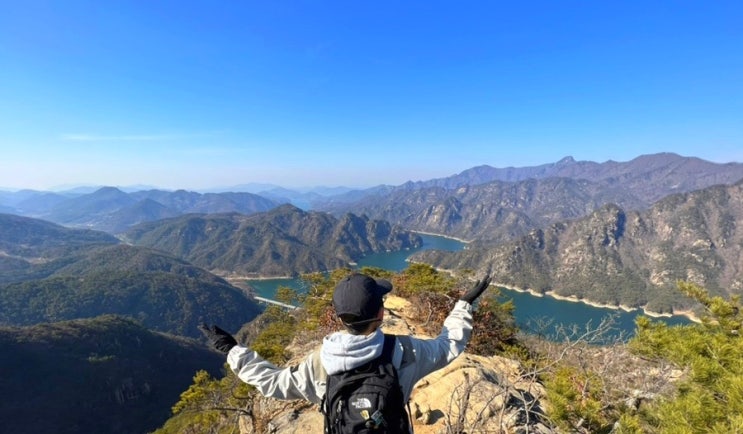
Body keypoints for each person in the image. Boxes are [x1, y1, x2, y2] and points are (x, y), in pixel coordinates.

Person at [200, 272, 492, 432]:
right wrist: (463, 305)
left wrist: (232, 350)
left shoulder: (319, 363)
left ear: (339, 317)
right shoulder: (404, 350)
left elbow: (271, 382)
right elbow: (448, 346)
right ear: (380, 313)